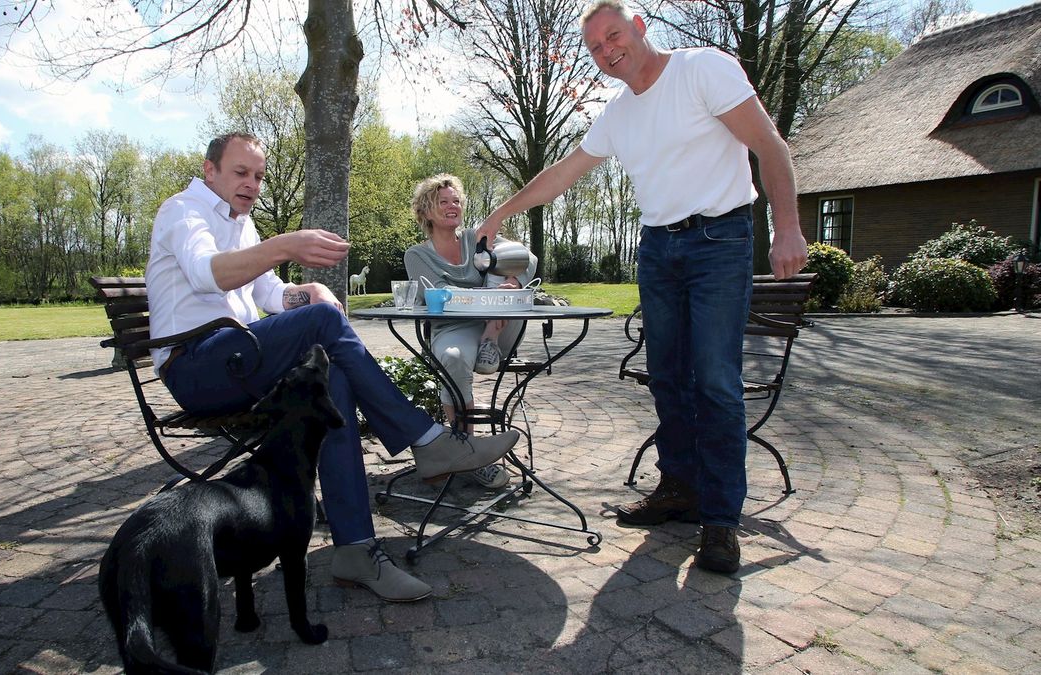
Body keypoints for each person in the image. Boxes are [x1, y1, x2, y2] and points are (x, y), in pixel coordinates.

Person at [476, 1, 808, 575]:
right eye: (596, 47)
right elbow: (562, 174)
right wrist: (500, 213)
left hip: (720, 242)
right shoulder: (618, 115)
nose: (607, 50)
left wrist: (787, 228)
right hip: (658, 250)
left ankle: (722, 522)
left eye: (613, 35)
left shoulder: (703, 69)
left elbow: (770, 148)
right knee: (669, 377)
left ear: (639, 27)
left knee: (717, 382)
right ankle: (679, 488)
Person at [146, 132, 520, 601]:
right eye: (241, 173)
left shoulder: (242, 224)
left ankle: (356, 550)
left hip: (239, 359)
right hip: (197, 366)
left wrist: (310, 293)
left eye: (259, 176)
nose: (252, 184)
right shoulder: (184, 211)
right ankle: (429, 440)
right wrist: (286, 246)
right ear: (210, 170)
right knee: (322, 324)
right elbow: (207, 273)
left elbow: (269, 296)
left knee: (335, 381)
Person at [404, 174, 539, 490]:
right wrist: (486, 300)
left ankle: (490, 340)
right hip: (454, 326)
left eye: (456, 201)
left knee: (503, 264)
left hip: (495, 324)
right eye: (443, 202)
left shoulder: (476, 237)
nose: (453, 207)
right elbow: (439, 295)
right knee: (452, 359)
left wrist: (514, 284)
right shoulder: (416, 255)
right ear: (425, 212)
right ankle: (470, 454)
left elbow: (527, 259)